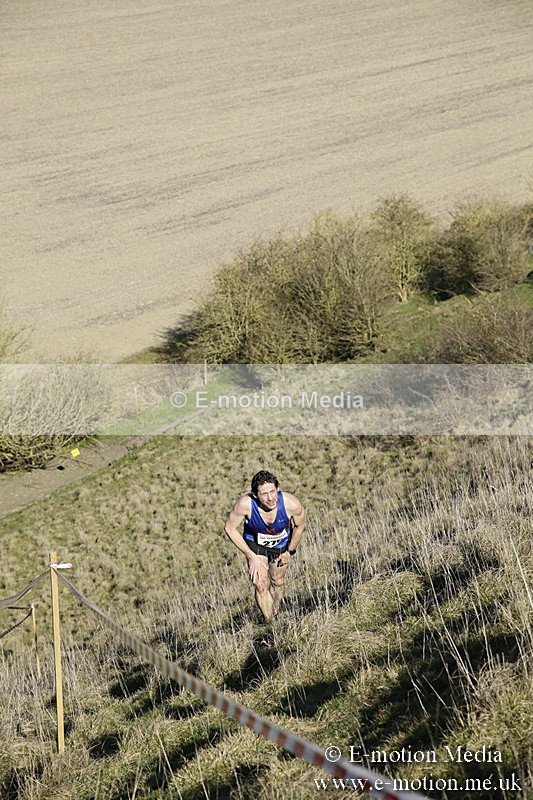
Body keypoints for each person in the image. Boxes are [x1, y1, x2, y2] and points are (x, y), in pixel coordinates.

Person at [224, 470, 305, 622]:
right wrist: (251, 556)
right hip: (255, 543)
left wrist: (289, 552)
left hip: (281, 543)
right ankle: (270, 622)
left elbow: (299, 526)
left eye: (272, 491)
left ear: (277, 489)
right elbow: (229, 528)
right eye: (264, 494)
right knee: (260, 584)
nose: (270, 498)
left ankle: (275, 613)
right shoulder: (245, 504)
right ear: (255, 495)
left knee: (278, 581)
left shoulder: (291, 504)